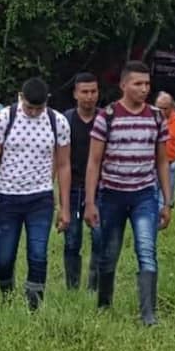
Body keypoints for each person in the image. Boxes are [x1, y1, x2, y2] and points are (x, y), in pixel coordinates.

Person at [84, 61, 171, 326]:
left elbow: (162, 162)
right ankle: (104, 303)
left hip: (144, 195)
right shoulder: (107, 116)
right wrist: (90, 202)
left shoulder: (157, 117)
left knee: (147, 250)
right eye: (138, 84)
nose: (144, 89)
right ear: (123, 85)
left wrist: (168, 201)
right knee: (109, 253)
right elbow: (94, 162)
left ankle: (148, 314)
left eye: (147, 84)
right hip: (111, 195)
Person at [0, 77, 71, 311]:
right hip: (7, 198)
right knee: (3, 258)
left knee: (38, 254)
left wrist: (64, 207)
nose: (34, 112)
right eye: (30, 107)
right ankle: (7, 295)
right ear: (20, 98)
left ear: (46, 102)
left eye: (39, 108)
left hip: (41, 198)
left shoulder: (57, 122)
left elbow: (64, 164)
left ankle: (34, 307)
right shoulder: (4, 118)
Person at [63, 73, 102, 291]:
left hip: (100, 189)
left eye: (93, 91)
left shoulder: (105, 119)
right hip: (72, 188)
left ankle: (93, 288)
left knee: (99, 239)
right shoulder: (65, 120)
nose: (89, 96)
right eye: (84, 92)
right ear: (76, 94)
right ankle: (72, 287)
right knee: (72, 241)